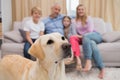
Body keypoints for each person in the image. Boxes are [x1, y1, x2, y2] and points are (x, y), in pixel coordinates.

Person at [74, 4, 105, 79]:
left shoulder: (89, 18)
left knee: (86, 36)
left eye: (82, 9)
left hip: (95, 35)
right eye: (79, 9)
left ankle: (88, 61)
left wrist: (81, 36)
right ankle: (102, 68)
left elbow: (90, 31)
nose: (80, 11)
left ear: (85, 10)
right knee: (92, 45)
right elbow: (75, 33)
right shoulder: (75, 21)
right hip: (87, 40)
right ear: (77, 11)